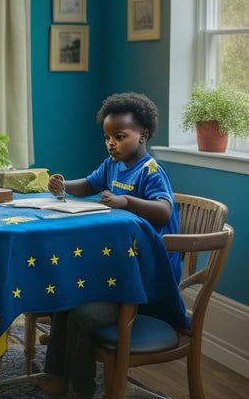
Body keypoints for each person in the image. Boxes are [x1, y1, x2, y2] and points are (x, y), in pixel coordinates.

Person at [37, 92, 181, 399]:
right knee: (65, 301)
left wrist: (126, 201)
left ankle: (81, 389)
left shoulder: (150, 171)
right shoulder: (112, 165)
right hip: (116, 271)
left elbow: (164, 209)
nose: (111, 143)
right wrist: (62, 186)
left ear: (143, 134)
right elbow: (88, 184)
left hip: (143, 281)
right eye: (107, 137)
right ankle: (57, 377)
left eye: (119, 136)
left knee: (82, 315)